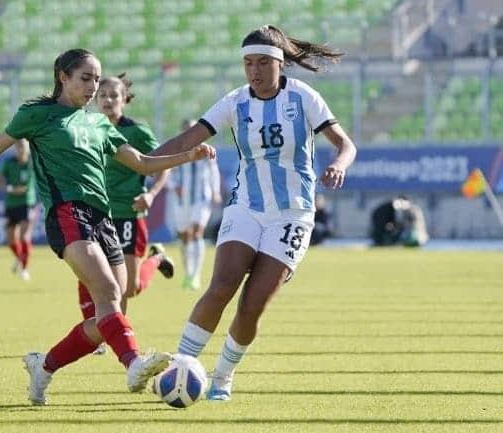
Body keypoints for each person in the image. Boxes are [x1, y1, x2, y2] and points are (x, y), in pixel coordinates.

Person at [0, 48, 216, 405]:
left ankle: (43, 366)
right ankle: (133, 362)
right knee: (110, 295)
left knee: (107, 315)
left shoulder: (98, 123)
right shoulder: (36, 115)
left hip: (104, 219)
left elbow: (142, 163)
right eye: (86, 77)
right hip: (66, 215)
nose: (93, 86)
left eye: (97, 78)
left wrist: (189, 155)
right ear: (62, 77)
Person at [152, 25, 357, 401]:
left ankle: (223, 377)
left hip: (293, 215)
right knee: (222, 285)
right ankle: (179, 366)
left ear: (280, 64)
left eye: (263, 62)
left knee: (252, 305)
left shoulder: (303, 97)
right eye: (248, 63)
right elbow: (187, 139)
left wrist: (340, 163)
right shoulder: (234, 102)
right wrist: (145, 162)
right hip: (247, 205)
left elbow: (345, 144)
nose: (255, 71)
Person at [78, 73, 175, 355]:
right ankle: (106, 332)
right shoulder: (87, 128)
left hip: (128, 214)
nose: (108, 100)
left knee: (129, 289)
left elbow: (160, 163)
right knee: (89, 271)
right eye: (103, 96)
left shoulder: (136, 132)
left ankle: (156, 258)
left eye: (114, 96)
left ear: (124, 100)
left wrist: (151, 194)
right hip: (95, 213)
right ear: (95, 99)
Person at [170, 119, 222, 290]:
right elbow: (168, 171)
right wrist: (174, 186)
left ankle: (195, 276)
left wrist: (215, 192)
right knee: (184, 235)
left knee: (196, 232)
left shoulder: (206, 150)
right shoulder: (177, 149)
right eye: (186, 130)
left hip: (201, 197)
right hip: (182, 200)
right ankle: (188, 273)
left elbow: (214, 172)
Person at [0, 139, 37, 280]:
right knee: (11, 239)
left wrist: (12, 188)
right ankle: (19, 258)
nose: (21, 149)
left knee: (24, 236)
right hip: (11, 204)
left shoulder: (31, 163)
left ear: (28, 148)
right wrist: (8, 187)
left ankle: (25, 269)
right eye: (18, 147)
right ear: (15, 148)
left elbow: (24, 188)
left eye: (23, 147)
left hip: (27, 203)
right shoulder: (9, 163)